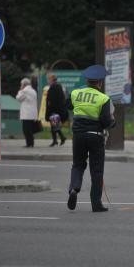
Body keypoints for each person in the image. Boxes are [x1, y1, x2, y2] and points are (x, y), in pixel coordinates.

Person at [65, 65, 115, 212]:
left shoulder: (75, 93)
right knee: (97, 170)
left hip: (78, 136)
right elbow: (107, 122)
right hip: (96, 137)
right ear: (100, 83)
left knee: (78, 164)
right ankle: (96, 204)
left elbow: (68, 105)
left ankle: (74, 188)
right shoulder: (103, 98)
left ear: (87, 81)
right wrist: (113, 121)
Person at [45, 74, 68, 146]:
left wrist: (51, 110)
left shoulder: (54, 87)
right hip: (57, 110)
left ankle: (61, 138)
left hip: (54, 110)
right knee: (54, 126)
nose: (48, 81)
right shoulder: (58, 86)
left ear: (52, 80)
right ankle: (57, 139)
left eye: (49, 79)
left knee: (55, 126)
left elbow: (53, 100)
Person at [16, 78, 38, 148]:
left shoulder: (24, 91)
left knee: (26, 130)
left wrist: (20, 90)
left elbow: (18, 98)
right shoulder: (33, 91)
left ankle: (29, 143)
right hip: (33, 113)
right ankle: (31, 143)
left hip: (26, 114)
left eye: (21, 84)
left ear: (24, 84)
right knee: (30, 130)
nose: (20, 86)